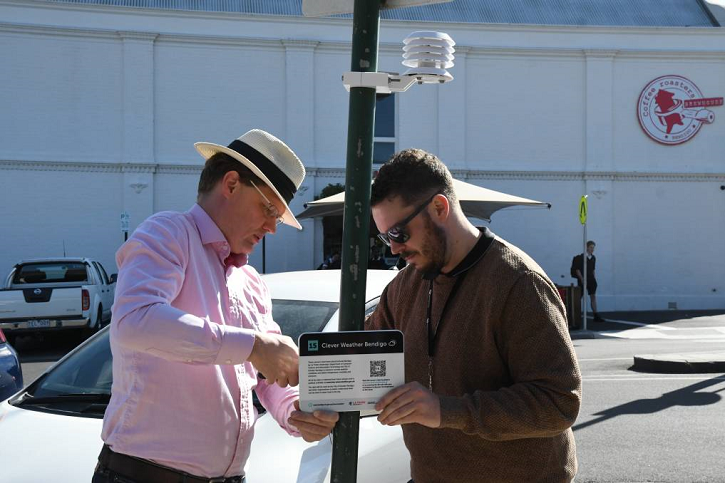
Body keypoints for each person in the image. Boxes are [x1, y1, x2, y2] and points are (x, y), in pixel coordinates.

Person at [94, 129, 338, 483]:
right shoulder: (168, 233)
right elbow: (135, 320)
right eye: (269, 209)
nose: (272, 227)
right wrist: (255, 346)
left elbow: (267, 375)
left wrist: (295, 411)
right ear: (232, 184)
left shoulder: (251, 281)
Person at [365, 149, 582, 483]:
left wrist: (445, 411)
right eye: (385, 238)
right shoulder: (402, 287)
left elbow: (558, 402)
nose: (393, 249)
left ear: (439, 208)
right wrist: (313, 394)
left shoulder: (519, 283)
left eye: (399, 234)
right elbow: (365, 354)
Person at [571, 240, 604, 322]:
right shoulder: (580, 257)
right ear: (587, 247)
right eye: (591, 247)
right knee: (579, 297)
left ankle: (596, 315)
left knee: (593, 296)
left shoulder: (593, 258)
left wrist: (594, 279)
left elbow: (593, 270)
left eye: (593, 248)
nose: (592, 249)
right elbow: (577, 270)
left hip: (591, 280)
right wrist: (582, 279)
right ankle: (575, 316)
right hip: (582, 280)